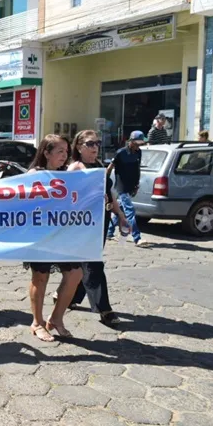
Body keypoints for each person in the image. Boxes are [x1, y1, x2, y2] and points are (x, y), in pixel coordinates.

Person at [25, 134, 83, 342]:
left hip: (62, 235)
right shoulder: (35, 174)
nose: (64, 155)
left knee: (75, 274)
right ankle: (37, 323)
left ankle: (56, 318)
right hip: (41, 235)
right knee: (40, 278)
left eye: (66, 151)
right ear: (46, 153)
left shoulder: (66, 175)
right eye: (60, 151)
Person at [68, 130, 129, 326]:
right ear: (79, 147)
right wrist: (90, 200)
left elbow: (109, 193)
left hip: (101, 219)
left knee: (85, 264)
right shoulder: (76, 168)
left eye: (97, 143)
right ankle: (105, 309)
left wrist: (120, 215)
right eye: (90, 143)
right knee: (94, 264)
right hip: (84, 223)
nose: (95, 147)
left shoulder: (100, 166)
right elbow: (68, 198)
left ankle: (69, 296)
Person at [106, 131, 145, 245]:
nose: (138, 146)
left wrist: (137, 184)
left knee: (121, 209)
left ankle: (109, 232)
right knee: (130, 211)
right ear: (131, 141)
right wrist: (105, 182)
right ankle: (137, 237)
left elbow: (137, 169)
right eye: (136, 143)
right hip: (121, 186)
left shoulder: (139, 152)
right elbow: (110, 168)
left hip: (131, 185)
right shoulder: (121, 153)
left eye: (140, 144)